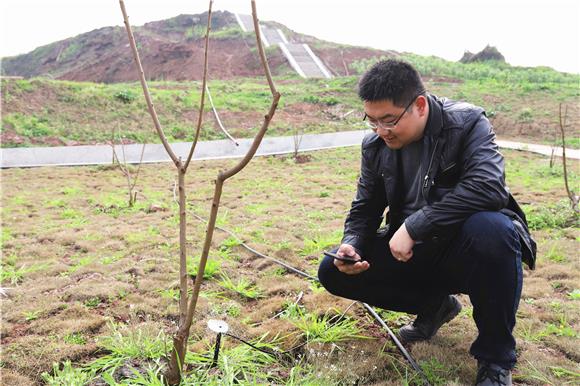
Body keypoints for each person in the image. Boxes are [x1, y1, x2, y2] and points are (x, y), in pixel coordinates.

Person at [317, 59, 536, 386]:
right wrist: (353, 244)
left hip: (466, 251)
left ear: (419, 105)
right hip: (412, 253)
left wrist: (414, 226)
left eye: (389, 120)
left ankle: (495, 358)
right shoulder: (376, 146)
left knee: (494, 229)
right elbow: (365, 208)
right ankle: (436, 307)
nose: (380, 130)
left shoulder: (466, 123)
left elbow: (489, 187)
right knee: (331, 271)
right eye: (372, 120)